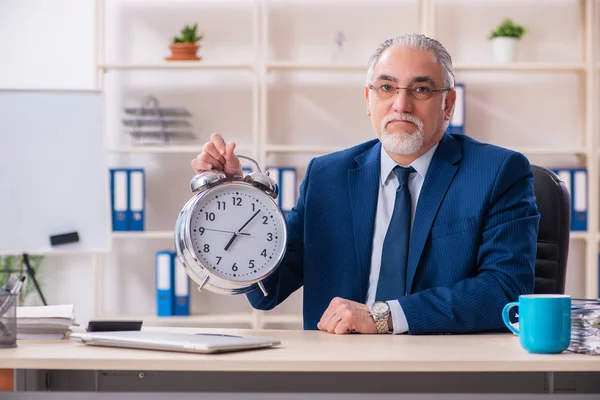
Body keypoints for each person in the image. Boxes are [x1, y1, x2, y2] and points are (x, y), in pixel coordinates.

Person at [191, 33, 540, 335]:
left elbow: (505, 290)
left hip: (444, 368)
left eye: (420, 89)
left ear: (448, 103)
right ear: (368, 100)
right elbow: (266, 288)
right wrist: (237, 199)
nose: (401, 105)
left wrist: (383, 317)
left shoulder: (498, 172)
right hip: (339, 371)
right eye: (386, 87)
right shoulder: (327, 177)